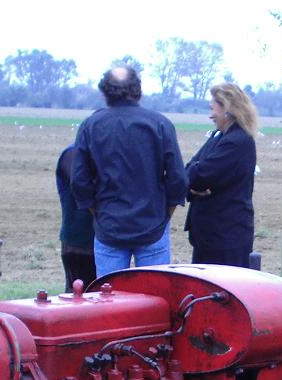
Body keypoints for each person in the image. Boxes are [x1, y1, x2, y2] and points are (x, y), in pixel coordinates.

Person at [71, 66, 187, 274]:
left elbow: (79, 181)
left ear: (105, 92)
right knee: (155, 292)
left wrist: (97, 214)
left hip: (109, 227)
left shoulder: (91, 126)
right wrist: (165, 216)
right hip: (153, 225)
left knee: (110, 293)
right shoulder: (160, 124)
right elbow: (178, 178)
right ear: (138, 90)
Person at [184, 83, 258, 267]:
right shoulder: (219, 136)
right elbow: (189, 171)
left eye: (213, 109)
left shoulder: (237, 142)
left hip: (226, 238)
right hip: (209, 237)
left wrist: (194, 178)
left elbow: (199, 175)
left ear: (227, 110)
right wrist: (193, 184)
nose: (210, 115)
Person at [55, 143, 96, 289]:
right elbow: (81, 184)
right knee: (79, 294)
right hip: (80, 243)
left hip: (103, 241)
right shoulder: (72, 154)